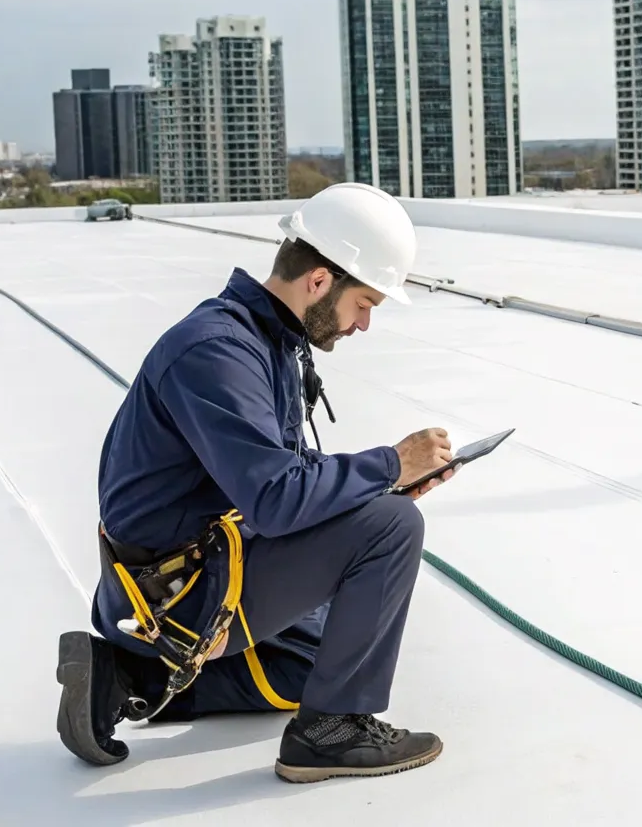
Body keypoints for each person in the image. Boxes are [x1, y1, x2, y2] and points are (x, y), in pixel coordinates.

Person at [56, 182, 461, 783]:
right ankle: (329, 733)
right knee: (393, 529)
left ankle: (129, 678)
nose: (365, 324)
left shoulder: (266, 341)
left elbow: (285, 476)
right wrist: (389, 466)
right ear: (320, 282)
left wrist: (379, 485)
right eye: (365, 303)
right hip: (174, 589)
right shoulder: (218, 351)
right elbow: (276, 501)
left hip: (204, 560)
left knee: (317, 659)